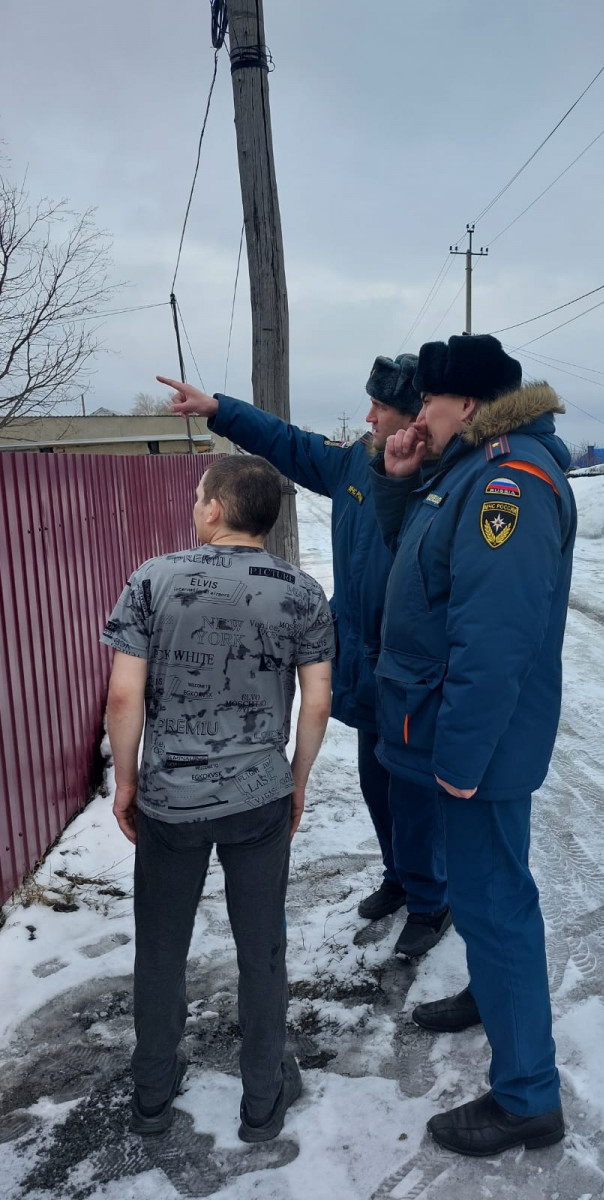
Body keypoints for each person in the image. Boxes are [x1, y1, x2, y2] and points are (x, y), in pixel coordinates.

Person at [160, 364, 451, 960]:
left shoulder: (443, 476)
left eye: (380, 408)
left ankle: (431, 900)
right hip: (365, 660)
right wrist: (219, 410)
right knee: (377, 780)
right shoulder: (353, 463)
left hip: (416, 666)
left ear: (415, 414)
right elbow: (288, 444)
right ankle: (400, 877)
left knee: (415, 792)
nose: (369, 417)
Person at [371, 333, 575, 1156]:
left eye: (429, 400)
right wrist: (397, 479)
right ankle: (494, 999)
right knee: (491, 897)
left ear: (469, 403)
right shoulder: (464, 470)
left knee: (495, 904)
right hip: (451, 731)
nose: (419, 413)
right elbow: (413, 565)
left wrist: (459, 758)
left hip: (475, 743)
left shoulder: (510, 481)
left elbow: (494, 640)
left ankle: (528, 1096)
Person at [101, 455, 334, 1140]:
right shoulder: (302, 592)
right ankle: (262, 1098)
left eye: (200, 494)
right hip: (259, 799)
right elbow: (317, 702)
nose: (196, 502)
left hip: (170, 801)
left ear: (213, 509)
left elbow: (122, 694)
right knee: (262, 948)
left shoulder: (152, 579)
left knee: (162, 945)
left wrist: (126, 783)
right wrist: (297, 780)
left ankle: (152, 1093)